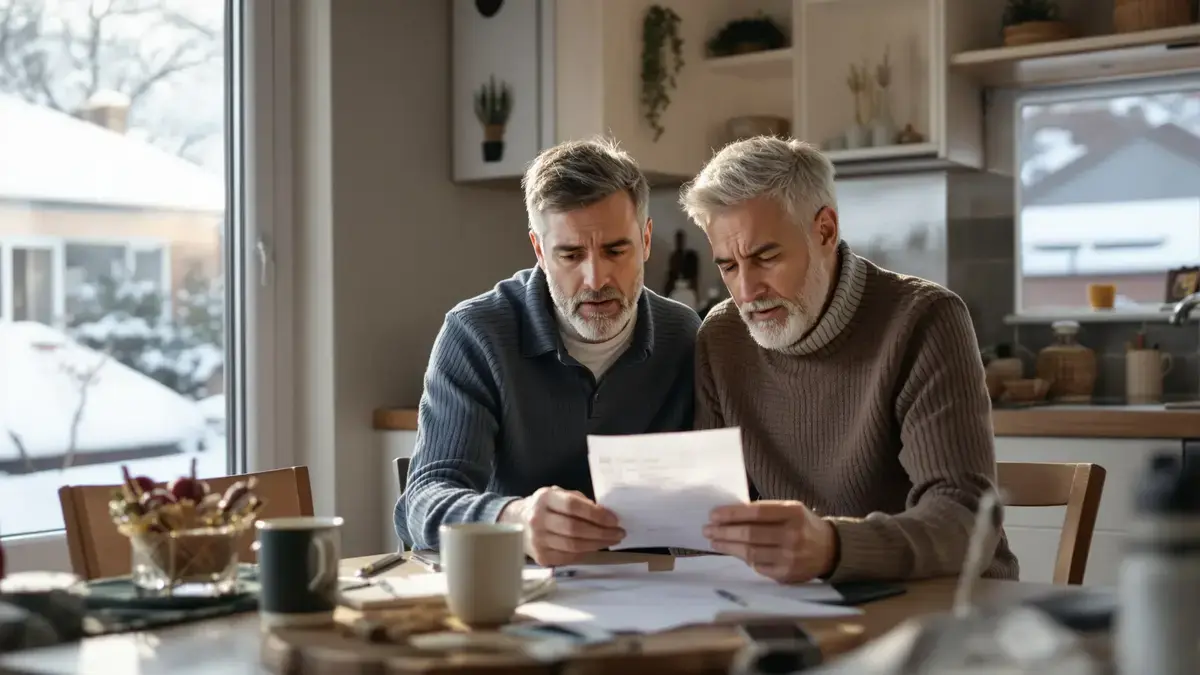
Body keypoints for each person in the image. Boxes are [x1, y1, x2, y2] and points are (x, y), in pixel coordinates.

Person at [678, 136, 1019, 584]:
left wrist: (832, 547)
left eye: (767, 257)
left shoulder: (923, 319)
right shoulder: (722, 336)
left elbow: (964, 521)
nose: (746, 291)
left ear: (824, 230)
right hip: (803, 606)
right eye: (728, 267)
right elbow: (703, 524)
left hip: (948, 609)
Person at [396, 138, 700, 565]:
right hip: (520, 595)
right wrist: (515, 517)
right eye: (571, 254)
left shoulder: (686, 336)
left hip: (655, 591)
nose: (596, 279)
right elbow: (423, 501)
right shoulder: (477, 333)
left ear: (646, 240)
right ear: (539, 250)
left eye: (616, 250)